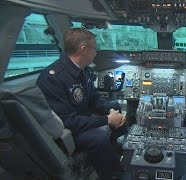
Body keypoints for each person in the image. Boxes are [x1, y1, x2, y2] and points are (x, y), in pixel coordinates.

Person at [36, 28, 127, 179]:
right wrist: (107, 120)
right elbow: (68, 121)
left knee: (115, 105)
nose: (97, 52)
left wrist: (110, 110)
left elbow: (93, 97)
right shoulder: (52, 78)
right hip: (68, 129)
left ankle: (121, 149)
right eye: (95, 48)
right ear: (84, 50)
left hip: (81, 117)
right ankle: (114, 174)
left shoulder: (82, 70)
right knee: (98, 138)